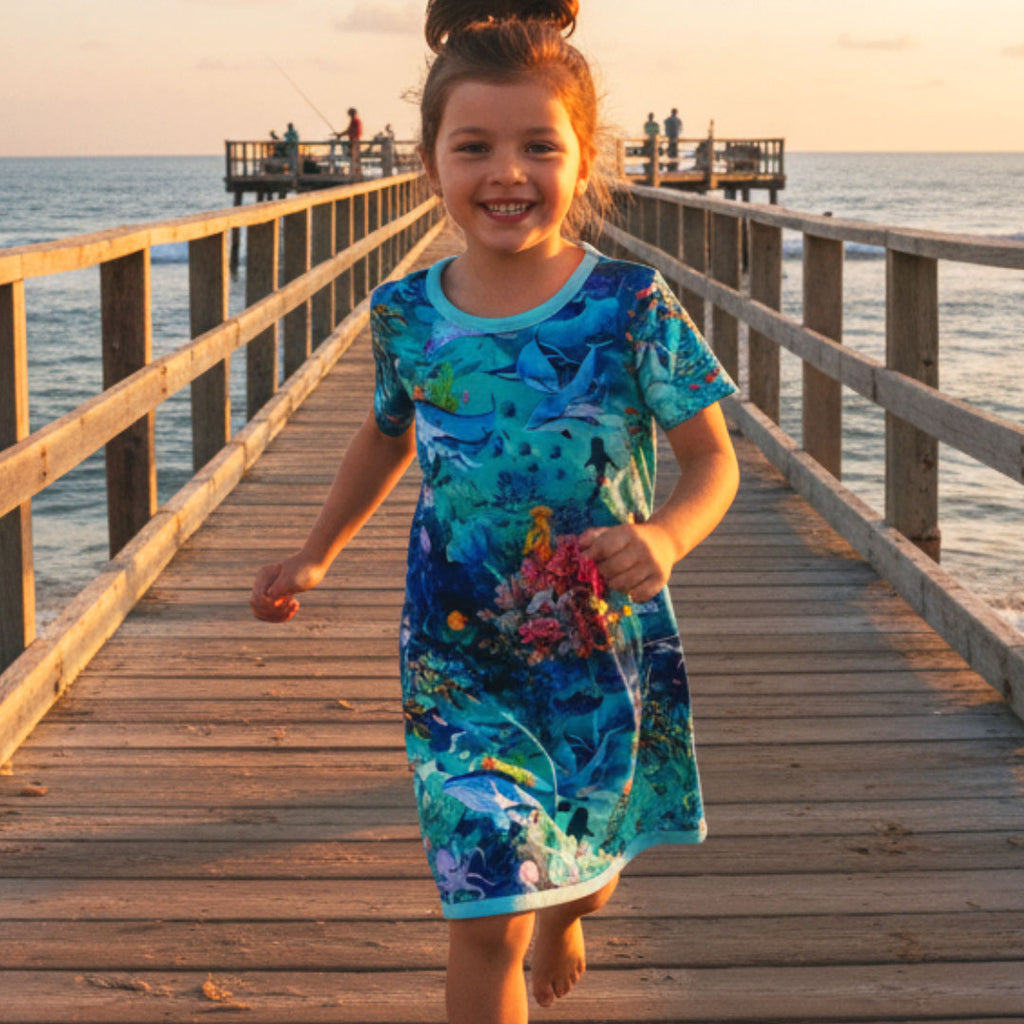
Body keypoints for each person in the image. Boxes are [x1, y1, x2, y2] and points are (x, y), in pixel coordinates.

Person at [250, 2, 739, 1021]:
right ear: (429, 160)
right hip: (455, 652)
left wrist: (665, 534)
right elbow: (386, 435)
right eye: (473, 146)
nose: (506, 172)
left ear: (585, 158)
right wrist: (315, 552)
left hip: (592, 645)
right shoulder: (405, 313)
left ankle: (572, 911)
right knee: (486, 913)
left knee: (585, 874)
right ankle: (530, 915)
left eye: (537, 146)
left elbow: (711, 459)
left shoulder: (629, 305)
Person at [343, 107, 363, 177]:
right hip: (353, 141)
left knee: (355, 158)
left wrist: (341, 134)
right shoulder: (354, 121)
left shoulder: (356, 121)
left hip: (354, 142)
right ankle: (354, 172)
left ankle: (355, 173)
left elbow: (353, 131)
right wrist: (340, 134)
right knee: (353, 158)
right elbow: (349, 131)